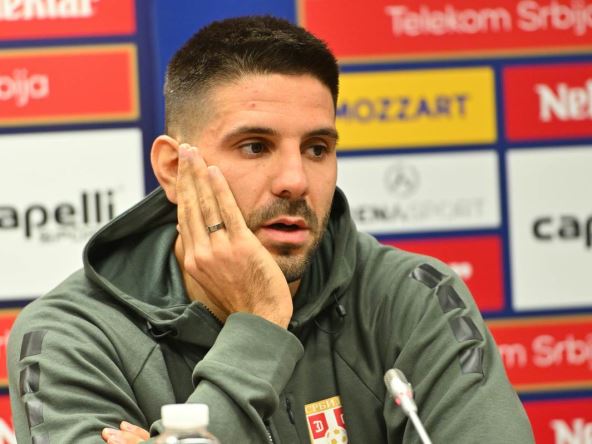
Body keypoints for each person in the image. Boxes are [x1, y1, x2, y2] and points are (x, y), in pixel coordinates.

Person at [8, 15, 534, 444]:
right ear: (172, 169)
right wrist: (260, 324)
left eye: (317, 149)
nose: (295, 180)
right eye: (255, 146)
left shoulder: (412, 297)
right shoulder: (70, 336)